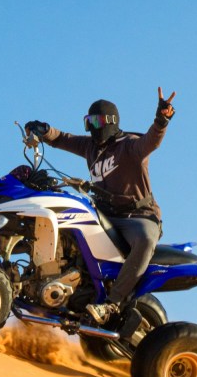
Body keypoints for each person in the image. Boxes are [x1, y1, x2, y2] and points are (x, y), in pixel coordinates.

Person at [25, 87, 176, 324]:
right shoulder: (90, 148)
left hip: (138, 217)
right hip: (104, 215)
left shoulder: (130, 145)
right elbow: (63, 139)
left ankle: (112, 304)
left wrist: (161, 120)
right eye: (89, 121)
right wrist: (44, 130)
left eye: (98, 120)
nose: (94, 126)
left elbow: (152, 142)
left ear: (112, 122)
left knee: (146, 241)